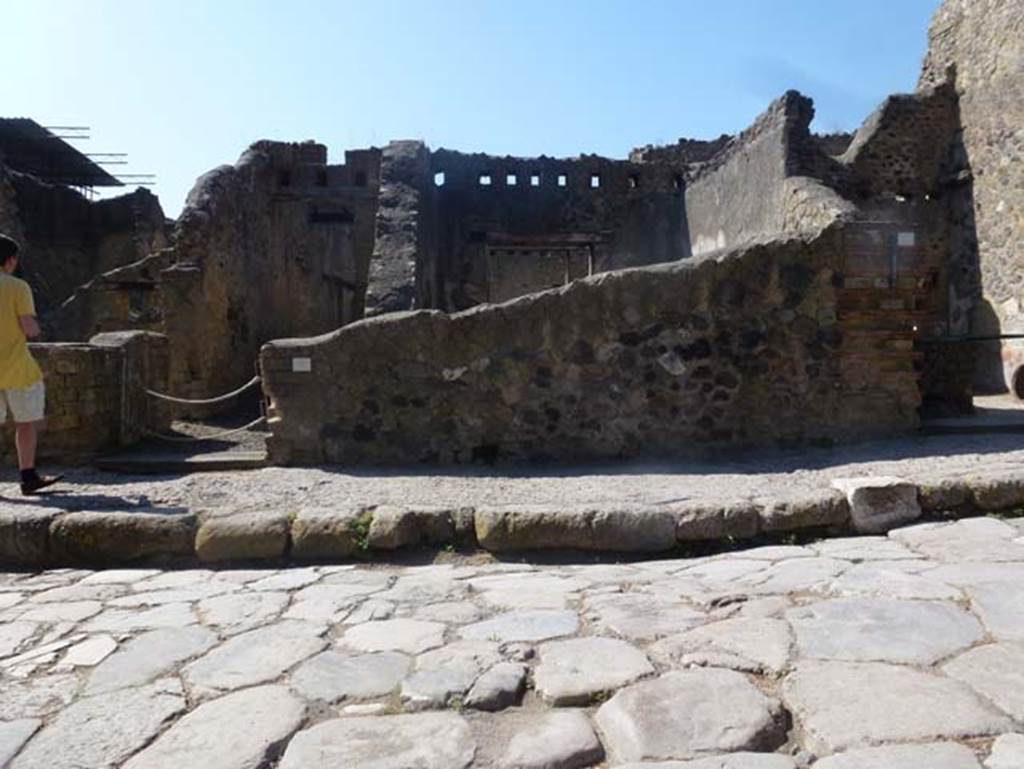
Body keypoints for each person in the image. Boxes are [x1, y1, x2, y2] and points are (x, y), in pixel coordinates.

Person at [0, 234, 61, 494]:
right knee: (25, 423)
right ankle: (28, 476)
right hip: (16, 368)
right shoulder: (17, 287)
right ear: (10, 260)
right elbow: (29, 328)